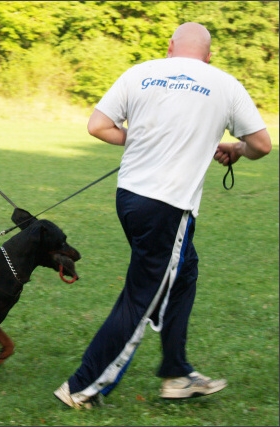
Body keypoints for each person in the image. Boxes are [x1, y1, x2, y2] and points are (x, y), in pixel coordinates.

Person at [54, 22, 272, 409]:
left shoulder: (140, 72)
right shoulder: (223, 83)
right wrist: (236, 150)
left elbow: (98, 126)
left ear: (170, 47)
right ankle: (82, 387)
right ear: (209, 55)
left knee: (184, 272)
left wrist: (141, 138)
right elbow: (261, 144)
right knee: (143, 296)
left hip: (130, 199)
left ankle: (177, 373)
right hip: (169, 207)